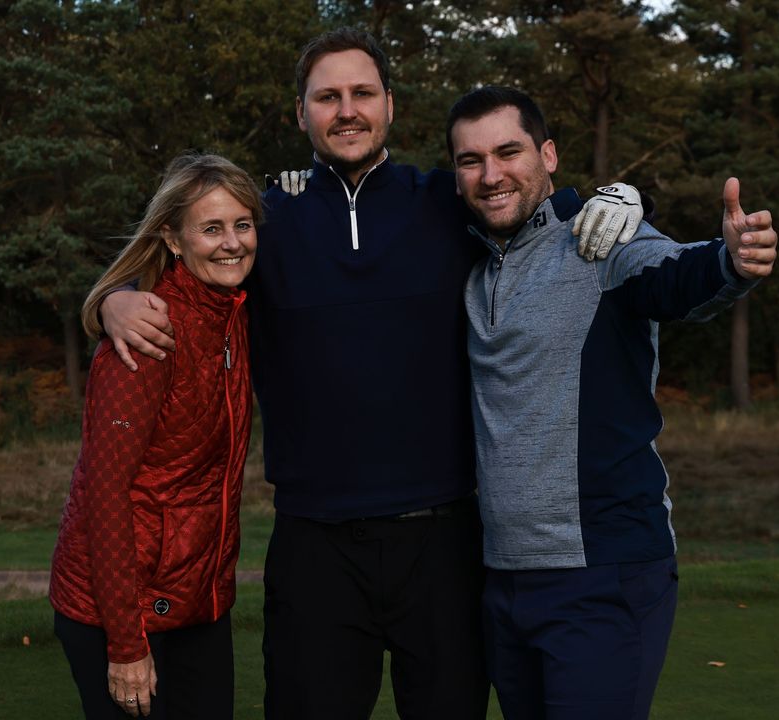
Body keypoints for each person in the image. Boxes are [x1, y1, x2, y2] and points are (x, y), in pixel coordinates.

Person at [96, 28, 644, 720]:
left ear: (389, 104)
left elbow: (531, 206)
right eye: (327, 97)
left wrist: (620, 195)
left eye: (361, 93)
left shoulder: (448, 199)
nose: (346, 110)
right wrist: (112, 301)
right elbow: (181, 264)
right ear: (302, 114)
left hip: (443, 541)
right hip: (314, 546)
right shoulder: (269, 219)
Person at [447, 86, 778, 719]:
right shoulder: (466, 257)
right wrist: (302, 190)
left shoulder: (603, 241)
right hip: (503, 578)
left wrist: (730, 262)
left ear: (548, 156)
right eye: (471, 160)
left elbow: (673, 274)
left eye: (509, 152)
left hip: (604, 571)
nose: (491, 175)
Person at [50, 153, 261, 719]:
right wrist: (125, 644)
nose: (232, 242)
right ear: (172, 237)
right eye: (211, 228)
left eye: (243, 225)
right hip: (121, 613)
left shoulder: (233, 309)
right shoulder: (147, 330)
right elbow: (105, 494)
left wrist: (105, 296)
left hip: (199, 603)